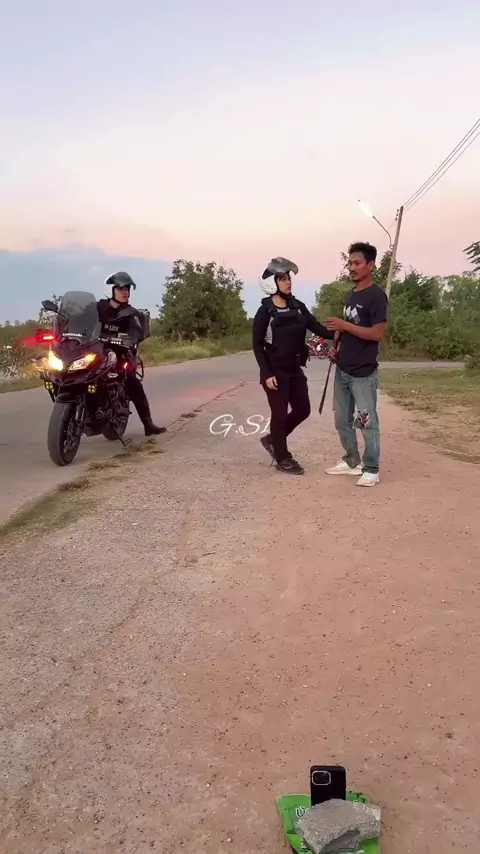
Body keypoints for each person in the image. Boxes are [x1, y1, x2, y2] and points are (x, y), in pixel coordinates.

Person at [252, 256, 334, 474]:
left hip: (294, 368)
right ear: (272, 283)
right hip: (275, 370)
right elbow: (257, 345)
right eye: (283, 278)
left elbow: (318, 328)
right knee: (279, 415)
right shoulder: (265, 311)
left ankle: (273, 440)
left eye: (289, 278)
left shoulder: (298, 307)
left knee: (303, 410)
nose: (288, 282)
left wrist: (341, 333)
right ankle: (282, 457)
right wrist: (266, 373)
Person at [324, 242, 388, 487]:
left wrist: (344, 325)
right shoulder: (350, 295)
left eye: (357, 263)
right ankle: (352, 461)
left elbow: (377, 333)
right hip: (343, 369)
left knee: (366, 422)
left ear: (370, 265)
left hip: (363, 373)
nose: (351, 267)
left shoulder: (376, 296)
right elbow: (347, 332)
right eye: (349, 263)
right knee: (341, 420)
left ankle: (371, 468)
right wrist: (336, 348)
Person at [97, 272, 166, 436]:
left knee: (133, 383)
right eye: (121, 289)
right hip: (97, 352)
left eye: (127, 289)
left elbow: (136, 330)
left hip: (121, 354)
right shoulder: (98, 307)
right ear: (111, 290)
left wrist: (131, 338)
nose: (125, 292)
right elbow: (82, 321)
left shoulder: (130, 313)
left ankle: (148, 424)